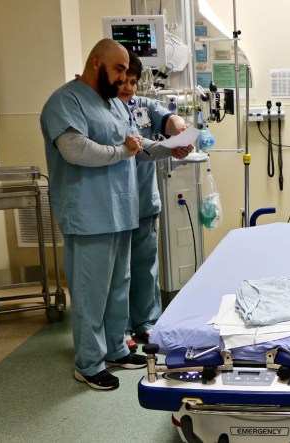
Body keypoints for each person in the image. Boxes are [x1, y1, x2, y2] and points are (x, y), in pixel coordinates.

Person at [40, 39, 186, 390]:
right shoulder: (65, 102)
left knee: (119, 286)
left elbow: (137, 145)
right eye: (119, 69)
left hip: (122, 211)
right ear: (95, 63)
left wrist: (170, 149)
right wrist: (122, 151)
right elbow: (76, 150)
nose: (124, 78)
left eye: (126, 71)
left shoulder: (114, 105)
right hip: (88, 215)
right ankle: (89, 363)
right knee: (91, 292)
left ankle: (116, 348)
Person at [117, 52, 193, 351]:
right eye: (122, 81)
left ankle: (147, 323)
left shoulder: (142, 106)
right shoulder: (104, 111)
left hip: (144, 201)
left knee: (146, 267)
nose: (129, 88)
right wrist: (166, 149)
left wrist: (178, 125)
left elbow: (168, 118)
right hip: (116, 205)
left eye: (133, 82)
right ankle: (120, 328)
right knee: (119, 273)